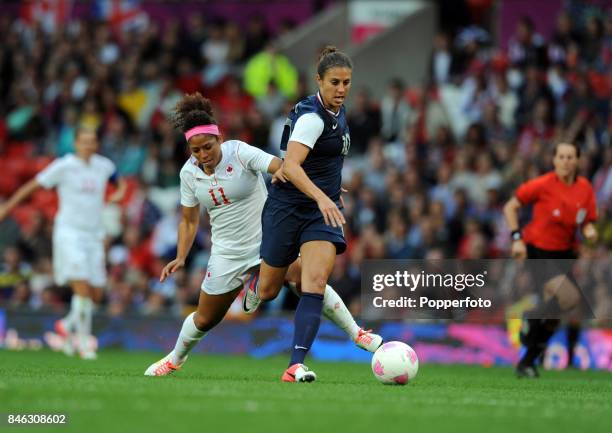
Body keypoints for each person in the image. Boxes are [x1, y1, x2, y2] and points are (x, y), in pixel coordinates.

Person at [144, 93, 381, 377]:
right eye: (196, 151)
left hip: (267, 237)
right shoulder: (188, 175)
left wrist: (320, 187)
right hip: (227, 252)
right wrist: (181, 256)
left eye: (207, 147)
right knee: (205, 318)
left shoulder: (240, 152)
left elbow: (282, 167)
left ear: (219, 138)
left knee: (307, 278)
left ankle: (357, 334)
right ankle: (174, 359)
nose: (203, 155)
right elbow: (188, 219)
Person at [251, 46, 364, 383]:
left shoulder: (335, 111)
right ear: (319, 81)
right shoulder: (312, 118)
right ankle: (264, 272)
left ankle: (295, 363)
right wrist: (321, 195)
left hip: (320, 211)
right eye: (334, 83)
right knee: (268, 290)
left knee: (314, 282)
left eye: (346, 82)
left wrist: (330, 189)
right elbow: (290, 166)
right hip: (288, 207)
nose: (341, 89)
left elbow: (325, 160)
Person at [0, 127, 126, 359]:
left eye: (92, 141)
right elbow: (33, 185)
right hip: (69, 233)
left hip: (94, 235)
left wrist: (119, 192)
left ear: (96, 144)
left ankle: (67, 327)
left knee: (96, 294)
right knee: (82, 287)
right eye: (84, 141)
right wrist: (7, 208)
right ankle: (85, 344)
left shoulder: (103, 166)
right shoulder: (64, 166)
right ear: (76, 143)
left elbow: (119, 182)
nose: (88, 145)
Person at [503, 142, 597, 378]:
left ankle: (526, 362)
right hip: (538, 251)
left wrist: (589, 232)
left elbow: (586, 221)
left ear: (577, 161)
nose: (565, 161)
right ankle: (531, 318)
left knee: (555, 316)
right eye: (561, 157)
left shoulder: (584, 188)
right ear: (554, 161)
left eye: (570, 157)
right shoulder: (543, 184)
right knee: (570, 298)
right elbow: (510, 207)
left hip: (565, 253)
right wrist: (516, 238)